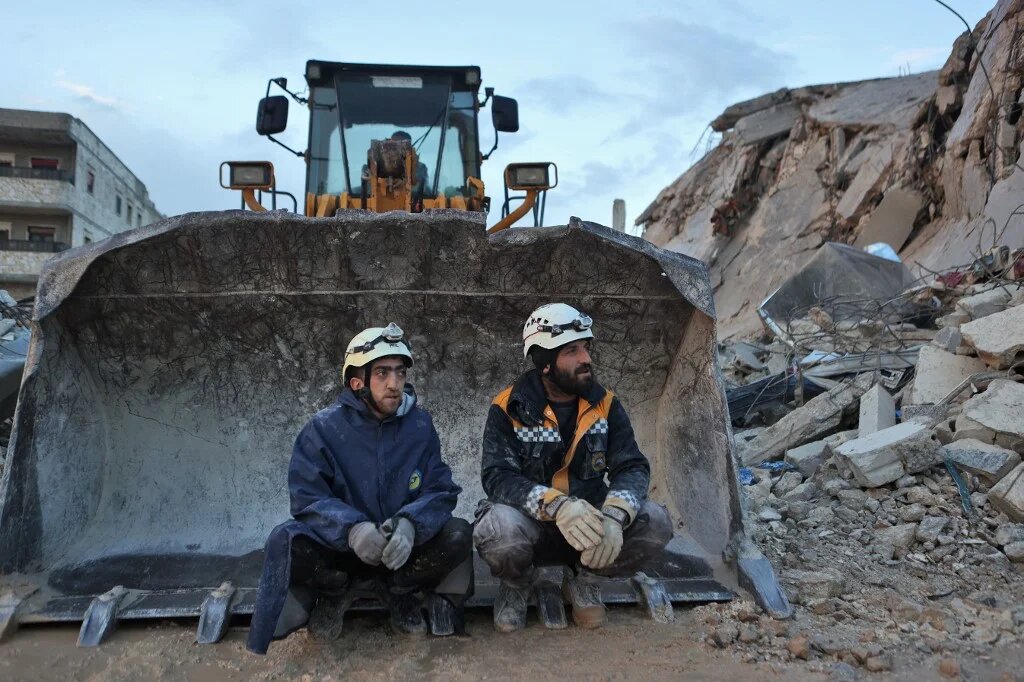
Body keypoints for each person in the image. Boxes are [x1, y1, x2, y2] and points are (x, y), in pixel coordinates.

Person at [247, 323, 471, 654]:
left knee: (458, 533)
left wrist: (410, 523)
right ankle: (336, 594)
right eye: (382, 373)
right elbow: (307, 498)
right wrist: (352, 529)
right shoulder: (323, 428)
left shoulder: (420, 425)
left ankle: (400, 594)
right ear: (357, 383)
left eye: (399, 372)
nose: (395, 384)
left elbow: (440, 488)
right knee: (286, 540)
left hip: (400, 553)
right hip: (342, 553)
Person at [473, 304, 672, 631]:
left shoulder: (606, 404)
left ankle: (586, 581)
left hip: (591, 528)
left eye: (586, 348)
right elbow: (498, 477)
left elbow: (632, 466)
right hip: (533, 526)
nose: (586, 359)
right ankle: (516, 586)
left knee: (656, 523)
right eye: (572, 351)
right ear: (545, 363)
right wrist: (557, 506)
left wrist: (614, 516)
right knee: (497, 529)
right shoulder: (508, 407)